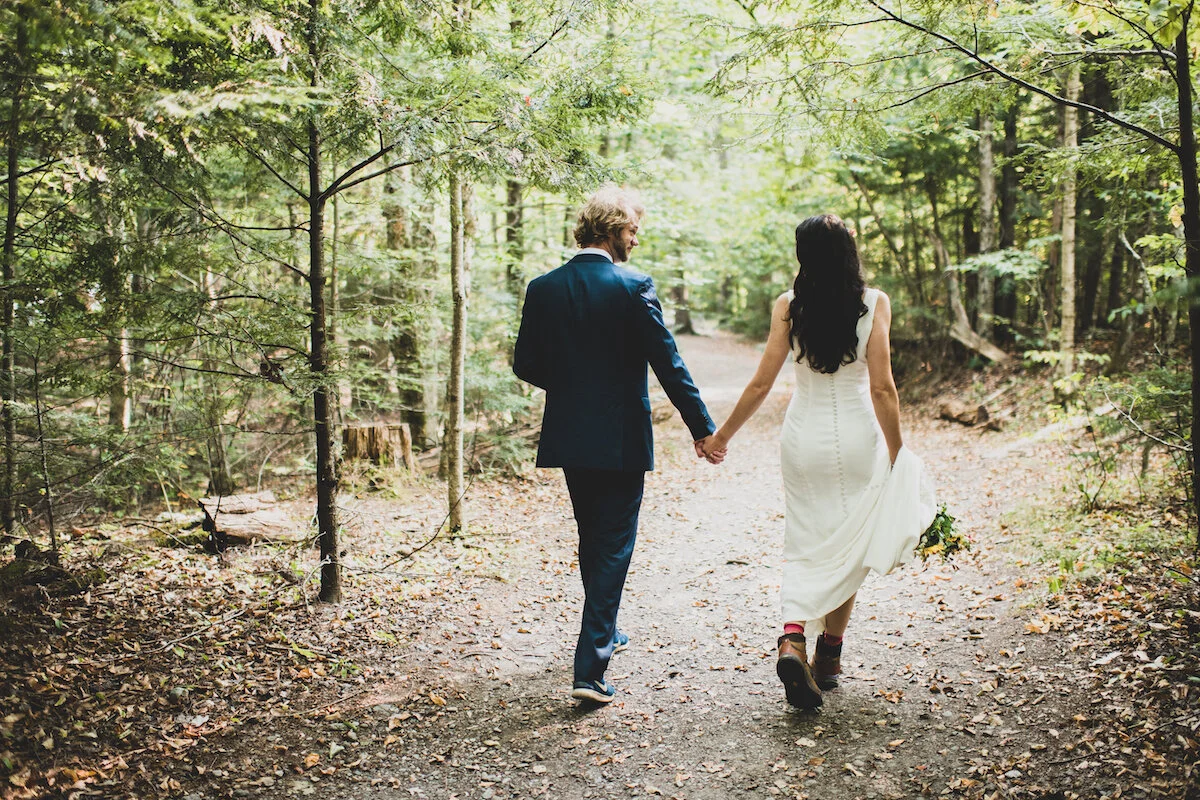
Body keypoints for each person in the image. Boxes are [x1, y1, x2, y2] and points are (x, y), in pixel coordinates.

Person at [703, 213, 931, 710]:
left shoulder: (789, 306)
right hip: (856, 439)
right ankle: (830, 653)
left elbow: (762, 383)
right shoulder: (874, 304)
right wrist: (898, 453)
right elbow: (882, 386)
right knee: (847, 543)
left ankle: (792, 638)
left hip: (802, 439)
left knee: (804, 539)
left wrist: (721, 436)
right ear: (849, 252)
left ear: (804, 256)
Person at [513, 185, 723, 705]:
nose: (636, 239)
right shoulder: (633, 286)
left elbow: (525, 364)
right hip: (623, 435)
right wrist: (702, 428)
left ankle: (605, 630)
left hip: (569, 433)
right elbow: (668, 362)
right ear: (609, 229)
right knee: (613, 544)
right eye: (632, 230)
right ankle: (591, 666)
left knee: (594, 537)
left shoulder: (543, 287)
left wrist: (572, 391)